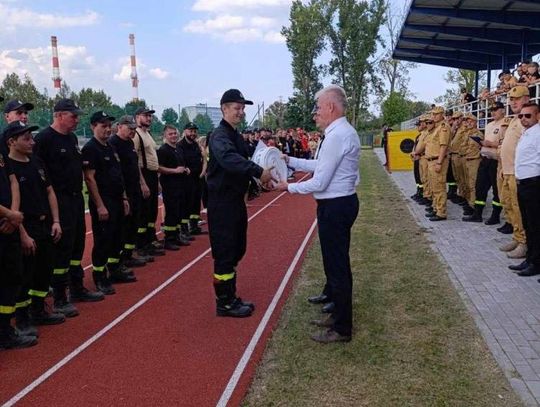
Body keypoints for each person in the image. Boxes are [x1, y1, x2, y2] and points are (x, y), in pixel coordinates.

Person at [275, 84, 360, 344]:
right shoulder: (338, 132)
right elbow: (320, 165)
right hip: (336, 204)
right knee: (334, 262)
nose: (316, 114)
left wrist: (288, 187)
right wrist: (290, 161)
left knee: (337, 266)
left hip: (336, 205)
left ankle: (342, 327)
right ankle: (335, 309)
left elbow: (320, 182)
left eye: (319, 108)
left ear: (331, 107)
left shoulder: (337, 135)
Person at [33, 99, 104, 317]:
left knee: (76, 245)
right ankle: (60, 297)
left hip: (75, 199)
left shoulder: (72, 138)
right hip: (58, 200)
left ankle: (77, 287)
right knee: (61, 249)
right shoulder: (44, 139)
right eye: (73, 116)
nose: (77, 120)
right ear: (59, 115)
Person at [207, 89, 274, 318]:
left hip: (235, 202)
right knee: (225, 253)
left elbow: (246, 160)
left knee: (237, 249)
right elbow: (229, 160)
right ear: (224, 109)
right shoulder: (219, 136)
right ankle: (224, 303)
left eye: (243, 108)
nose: (241, 112)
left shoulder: (235, 135)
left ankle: (231, 295)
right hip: (222, 203)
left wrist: (259, 178)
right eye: (237, 108)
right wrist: (257, 171)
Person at [5, 121, 66, 337]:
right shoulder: (9, 168)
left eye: (32, 137)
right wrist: (23, 234)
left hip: (44, 224)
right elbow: (15, 205)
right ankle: (22, 318)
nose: (32, 142)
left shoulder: (36, 162)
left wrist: (56, 221)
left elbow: (49, 192)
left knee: (44, 270)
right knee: (24, 275)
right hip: (25, 226)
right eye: (26, 138)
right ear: (12, 142)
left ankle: (39, 310)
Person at [82, 111, 135, 295]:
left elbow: (118, 175)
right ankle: (99, 276)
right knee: (103, 240)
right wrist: (99, 205)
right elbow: (90, 179)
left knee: (117, 237)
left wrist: (124, 198)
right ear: (93, 127)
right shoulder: (91, 148)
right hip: (103, 200)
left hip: (117, 198)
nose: (107, 129)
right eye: (102, 126)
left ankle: (115, 269)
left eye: (108, 125)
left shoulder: (109, 147)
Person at [109, 115, 151, 269]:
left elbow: (135, 166)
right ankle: (120, 258)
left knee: (134, 222)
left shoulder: (130, 144)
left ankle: (128, 254)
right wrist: (124, 194)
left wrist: (142, 183)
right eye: (130, 128)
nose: (133, 131)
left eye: (134, 128)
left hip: (135, 188)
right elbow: (117, 171)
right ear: (120, 126)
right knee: (124, 224)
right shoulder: (114, 143)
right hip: (124, 189)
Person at [499, 86, 529, 260]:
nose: (513, 102)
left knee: (519, 209)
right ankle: (517, 237)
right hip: (507, 171)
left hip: (519, 174)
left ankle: (525, 243)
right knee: (509, 206)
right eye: (511, 99)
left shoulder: (528, 119)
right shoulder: (513, 120)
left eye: (516, 98)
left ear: (526, 98)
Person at [463, 102, 506, 224]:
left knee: (496, 190)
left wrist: (491, 144)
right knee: (479, 187)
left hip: (495, 160)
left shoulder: (505, 124)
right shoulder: (489, 125)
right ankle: (477, 214)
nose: (492, 111)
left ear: (502, 110)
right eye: (491, 109)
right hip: (485, 159)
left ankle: (495, 216)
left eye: (495, 109)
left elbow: (506, 144)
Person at [133, 107, 165, 258]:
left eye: (150, 116)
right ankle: (141, 244)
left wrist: (157, 179)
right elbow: (135, 161)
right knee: (144, 212)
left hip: (152, 175)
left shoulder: (148, 134)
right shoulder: (136, 135)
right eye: (145, 116)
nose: (149, 118)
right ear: (137, 117)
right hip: (144, 174)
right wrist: (142, 182)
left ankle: (150, 239)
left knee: (152, 210)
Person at [513, 103, 540, 277]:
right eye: (521, 116)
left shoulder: (538, 133)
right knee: (528, 226)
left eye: (527, 116)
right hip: (523, 184)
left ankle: (536, 263)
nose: (523, 119)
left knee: (536, 226)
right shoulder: (526, 133)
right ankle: (530, 259)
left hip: (534, 185)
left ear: (537, 116)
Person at [157, 125, 190, 251]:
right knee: (171, 213)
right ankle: (169, 239)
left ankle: (176, 236)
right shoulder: (163, 150)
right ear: (165, 136)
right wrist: (174, 171)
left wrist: (185, 169)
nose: (173, 136)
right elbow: (159, 167)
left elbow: (181, 165)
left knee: (178, 211)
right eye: (170, 134)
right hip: (169, 185)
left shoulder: (179, 149)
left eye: (175, 133)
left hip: (180, 185)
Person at [178, 121, 207, 235]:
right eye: (190, 131)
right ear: (185, 131)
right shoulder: (180, 145)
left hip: (197, 178)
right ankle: (184, 229)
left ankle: (194, 226)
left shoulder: (196, 145)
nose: (193, 133)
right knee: (186, 204)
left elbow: (202, 159)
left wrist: (202, 172)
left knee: (195, 203)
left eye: (195, 131)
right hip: (186, 179)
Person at [425, 106, 450, 221]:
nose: (433, 116)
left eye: (436, 114)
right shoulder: (435, 128)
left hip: (437, 160)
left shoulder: (443, 127)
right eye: (433, 114)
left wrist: (439, 162)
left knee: (439, 187)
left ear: (442, 114)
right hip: (431, 160)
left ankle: (441, 212)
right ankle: (436, 208)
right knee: (434, 187)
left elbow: (443, 146)